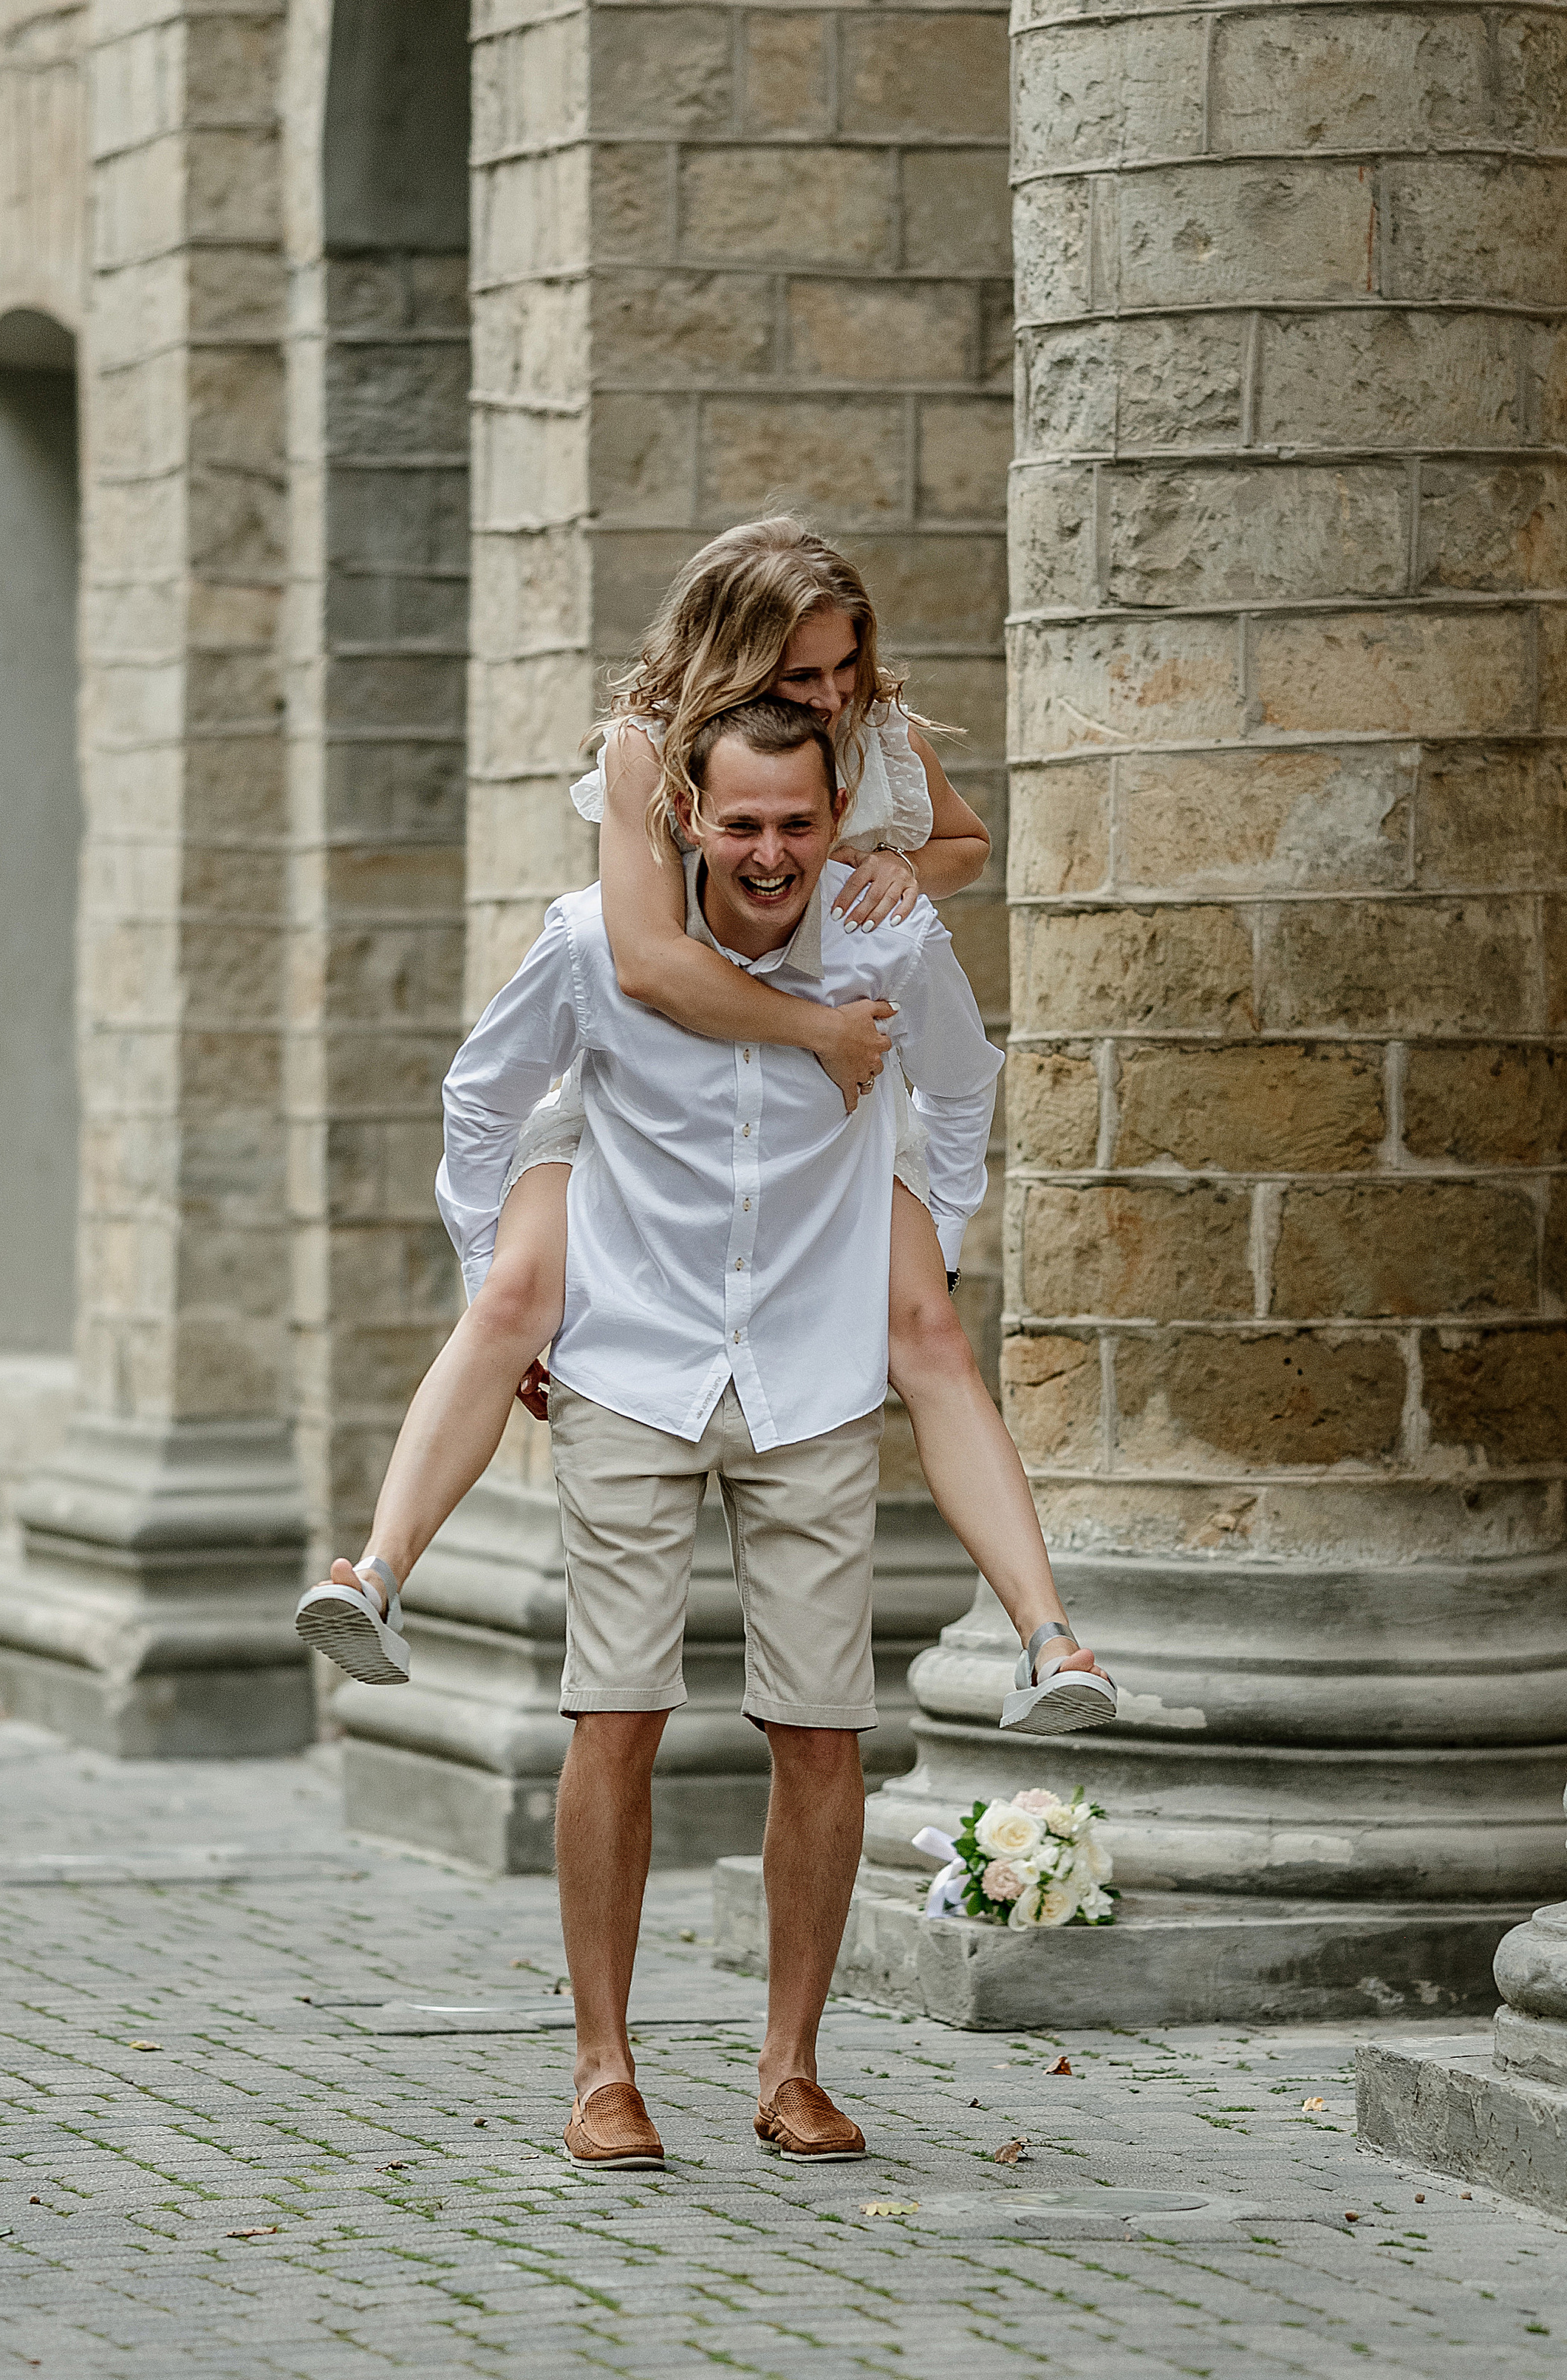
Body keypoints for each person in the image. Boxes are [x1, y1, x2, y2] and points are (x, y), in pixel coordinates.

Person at [296, 517, 1113, 1737]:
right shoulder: (648, 754)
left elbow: (962, 847)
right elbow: (646, 966)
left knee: (927, 1327)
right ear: (735, 664)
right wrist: (828, 1034)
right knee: (517, 1289)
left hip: (818, 1127)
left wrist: (895, 883)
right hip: (642, 1085)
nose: (833, 696)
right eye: (803, 677)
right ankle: (377, 1573)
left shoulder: (872, 729)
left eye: (847, 668)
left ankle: (1050, 1643)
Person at [436, 697, 1102, 2169]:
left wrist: (920, 1227)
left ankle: (789, 2067)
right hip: (633, 1363)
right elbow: (481, 1098)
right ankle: (602, 2071)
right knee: (614, 1712)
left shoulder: (886, 941)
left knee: (821, 1730)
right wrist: (498, 1280)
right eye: (739, 822)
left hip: (808, 1378)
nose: (768, 851)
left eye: (794, 822)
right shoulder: (590, 942)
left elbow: (962, 1079)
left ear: (829, 819)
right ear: (687, 820)